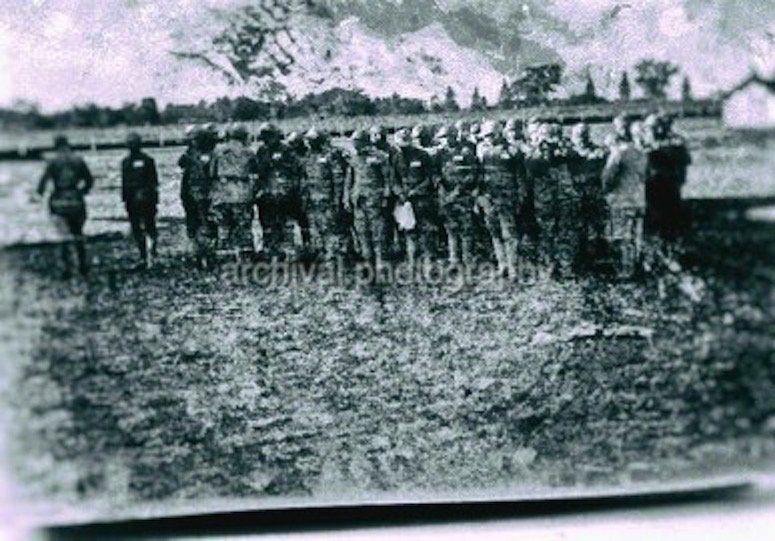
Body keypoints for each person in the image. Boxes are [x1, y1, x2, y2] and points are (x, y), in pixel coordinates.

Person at [35, 135, 94, 277]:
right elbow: (89, 180)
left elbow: (42, 184)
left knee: (64, 236)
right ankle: (83, 266)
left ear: (56, 146)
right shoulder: (78, 160)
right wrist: (82, 191)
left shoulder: (53, 162)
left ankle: (67, 269)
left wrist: (40, 194)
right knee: (78, 233)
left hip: (59, 200)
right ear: (68, 144)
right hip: (76, 199)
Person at [602, 115, 648, 276]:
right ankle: (638, 266)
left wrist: (606, 192)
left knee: (622, 236)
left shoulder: (618, 153)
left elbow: (608, 177)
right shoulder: (641, 153)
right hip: (638, 199)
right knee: (637, 235)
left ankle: (625, 270)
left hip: (621, 200)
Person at [477, 120, 524, 279]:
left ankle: (513, 268)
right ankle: (502, 264)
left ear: (499, 133)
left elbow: (520, 178)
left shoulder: (512, 151)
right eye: (486, 136)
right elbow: (481, 176)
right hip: (489, 198)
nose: (488, 138)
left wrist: (519, 198)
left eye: (491, 135)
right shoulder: (483, 151)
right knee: (494, 233)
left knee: (509, 235)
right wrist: (480, 197)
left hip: (507, 199)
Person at [255, 123, 309, 259]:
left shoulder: (287, 150)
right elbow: (259, 172)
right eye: (264, 137)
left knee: (285, 225)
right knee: (267, 226)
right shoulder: (261, 151)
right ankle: (271, 253)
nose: (267, 140)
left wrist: (292, 190)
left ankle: (288, 253)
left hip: (285, 195)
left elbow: (297, 172)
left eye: (269, 136)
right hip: (267, 195)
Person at [209, 124, 260, 261]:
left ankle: (226, 258)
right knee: (244, 227)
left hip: (222, 194)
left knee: (224, 227)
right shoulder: (249, 152)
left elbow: (212, 173)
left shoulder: (218, 151)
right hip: (241, 194)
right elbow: (256, 171)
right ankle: (246, 259)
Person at [344, 129, 393, 270]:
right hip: (358, 200)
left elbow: (387, 178)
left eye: (357, 142)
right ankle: (367, 261)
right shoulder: (353, 159)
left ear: (365, 142)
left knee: (378, 232)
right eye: (353, 142)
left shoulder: (379, 157)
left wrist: (385, 197)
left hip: (375, 200)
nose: (354, 145)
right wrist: (346, 198)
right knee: (362, 231)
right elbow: (349, 180)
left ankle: (380, 263)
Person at [301, 128, 349, 262]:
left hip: (328, 200)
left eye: (312, 140)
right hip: (313, 200)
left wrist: (337, 200)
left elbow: (338, 179)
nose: (309, 143)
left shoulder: (331, 154)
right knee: (316, 230)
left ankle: (335, 259)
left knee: (331, 231)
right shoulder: (308, 156)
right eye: (308, 140)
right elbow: (304, 179)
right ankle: (322, 256)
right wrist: (305, 199)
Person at [436, 126, 479, 267]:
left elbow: (473, 174)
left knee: (466, 229)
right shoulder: (440, 153)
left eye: (447, 137)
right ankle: (454, 260)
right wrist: (441, 188)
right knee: (451, 229)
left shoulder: (466, 152)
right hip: (446, 197)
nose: (445, 141)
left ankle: (468, 260)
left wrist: (458, 190)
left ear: (454, 136)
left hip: (463, 196)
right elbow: (435, 173)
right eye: (442, 138)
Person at [393, 127, 437, 267]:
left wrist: (417, 190)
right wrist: (400, 193)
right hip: (405, 201)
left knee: (426, 231)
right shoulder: (396, 158)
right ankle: (412, 263)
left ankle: (429, 263)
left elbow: (430, 177)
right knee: (409, 232)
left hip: (422, 200)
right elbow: (393, 180)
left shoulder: (423, 156)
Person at [569, 122, 608, 270]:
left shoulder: (598, 152)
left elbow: (605, 173)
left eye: (584, 135)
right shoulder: (568, 153)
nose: (581, 138)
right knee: (577, 227)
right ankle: (579, 258)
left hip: (594, 193)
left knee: (597, 226)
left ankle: (599, 257)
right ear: (573, 136)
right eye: (578, 135)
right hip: (575, 194)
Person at [178, 125, 218, 268]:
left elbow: (181, 163)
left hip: (197, 193)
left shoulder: (192, 154)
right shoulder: (210, 153)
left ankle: (202, 255)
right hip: (197, 193)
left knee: (200, 224)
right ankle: (202, 255)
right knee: (201, 223)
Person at [121, 133, 160, 269]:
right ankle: (147, 256)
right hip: (140, 199)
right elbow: (154, 182)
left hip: (139, 200)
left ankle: (147, 255)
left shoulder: (133, 162)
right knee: (144, 228)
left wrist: (125, 201)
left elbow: (153, 182)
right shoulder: (144, 160)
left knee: (143, 228)